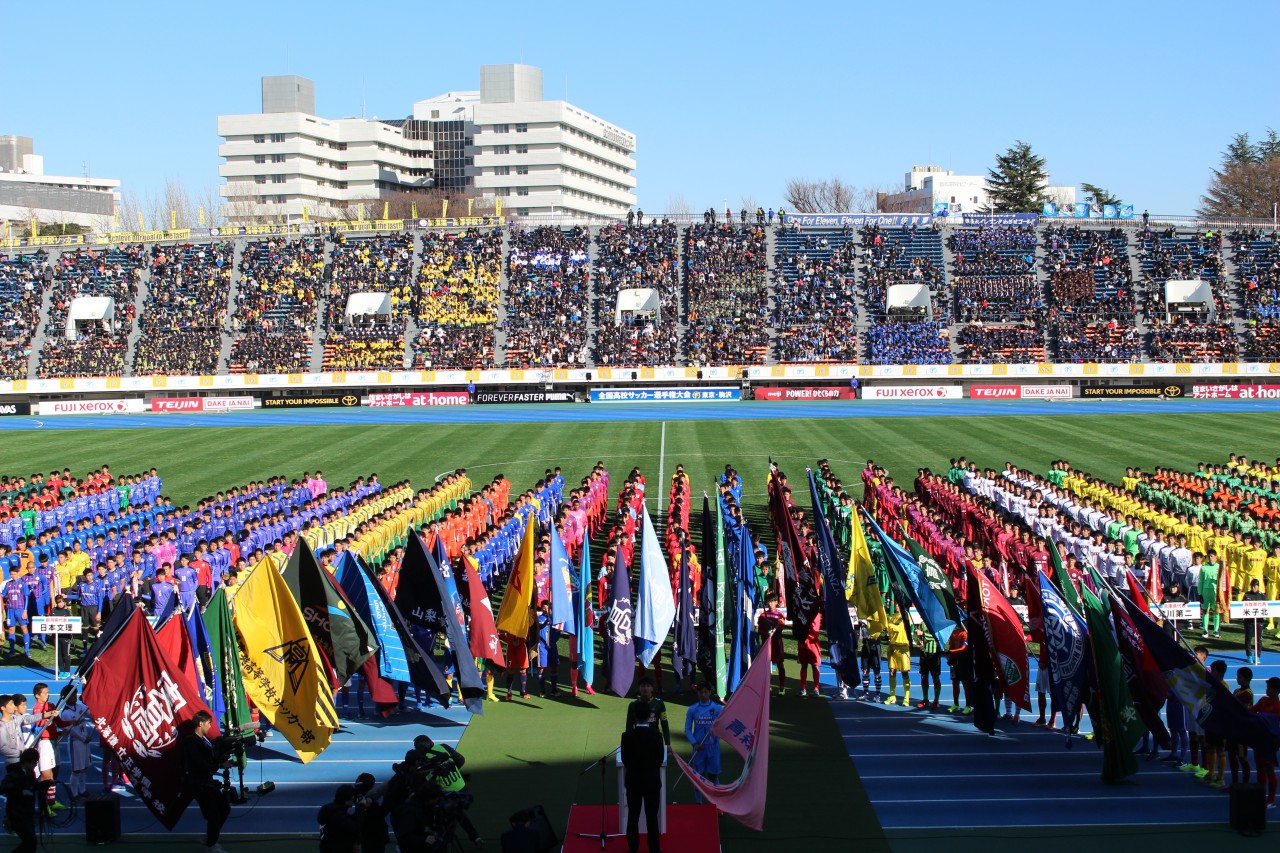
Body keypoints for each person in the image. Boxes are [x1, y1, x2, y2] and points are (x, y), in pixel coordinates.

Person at [181, 709, 233, 853]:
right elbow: (199, 764)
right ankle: (211, 845)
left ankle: (210, 837)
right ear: (200, 723)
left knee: (224, 808)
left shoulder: (205, 741)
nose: (210, 726)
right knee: (214, 815)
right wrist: (220, 765)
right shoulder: (191, 742)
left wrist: (223, 757)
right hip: (199, 784)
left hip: (207, 782)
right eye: (209, 723)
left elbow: (211, 758)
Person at [620, 699, 665, 853]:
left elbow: (625, 759)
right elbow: (659, 759)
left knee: (633, 816)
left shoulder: (626, 736)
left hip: (633, 782)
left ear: (634, 716)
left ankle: (633, 849)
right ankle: (654, 849)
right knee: (652, 817)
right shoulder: (657, 736)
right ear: (649, 716)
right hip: (651, 781)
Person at [682, 682, 722, 803]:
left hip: (713, 747)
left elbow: (723, 726)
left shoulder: (718, 708)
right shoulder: (692, 709)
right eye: (701, 692)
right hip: (698, 748)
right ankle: (699, 804)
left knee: (713, 776)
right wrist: (694, 743)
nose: (703, 694)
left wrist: (717, 735)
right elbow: (687, 729)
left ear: (710, 692)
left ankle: (717, 805)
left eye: (706, 692)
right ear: (697, 693)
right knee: (698, 777)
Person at [0, 748, 39, 853]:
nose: (36, 764)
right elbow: (3, 787)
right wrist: (20, 790)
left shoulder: (30, 773)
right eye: (34, 762)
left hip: (27, 814)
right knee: (30, 843)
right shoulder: (14, 774)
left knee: (31, 843)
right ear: (27, 761)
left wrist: (45, 784)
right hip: (17, 815)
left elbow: (34, 785)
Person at [1251, 676, 1280, 809]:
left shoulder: (1278, 706)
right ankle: (1260, 795)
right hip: (1260, 739)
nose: (1266, 690)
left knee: (1269, 768)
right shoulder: (1263, 700)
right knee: (1259, 767)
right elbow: (1251, 712)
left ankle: (1271, 799)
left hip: (1270, 741)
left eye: (1269, 688)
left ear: (1276, 691)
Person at [317, 783, 367, 853]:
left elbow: (347, 822)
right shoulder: (338, 816)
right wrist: (360, 808)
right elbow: (355, 828)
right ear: (346, 801)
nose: (353, 801)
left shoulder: (331, 810)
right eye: (352, 799)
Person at [756, 592, 789, 695]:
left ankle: (782, 687)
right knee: (766, 666)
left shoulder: (780, 614)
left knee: (780, 664)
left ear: (776, 602)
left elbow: (781, 626)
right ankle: (767, 686)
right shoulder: (762, 615)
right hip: (766, 643)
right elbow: (760, 630)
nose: (770, 604)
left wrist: (774, 625)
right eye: (768, 602)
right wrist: (766, 631)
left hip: (777, 643)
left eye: (772, 601)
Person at [626, 677, 671, 745]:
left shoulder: (659, 704)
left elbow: (664, 724)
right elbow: (629, 726)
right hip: (638, 740)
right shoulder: (633, 705)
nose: (645, 688)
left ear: (652, 688)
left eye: (648, 686)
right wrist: (628, 743)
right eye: (643, 686)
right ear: (639, 688)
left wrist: (668, 744)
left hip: (655, 740)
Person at [884, 609, 912, 706]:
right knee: (892, 671)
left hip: (903, 648)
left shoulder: (906, 616)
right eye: (896, 604)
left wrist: (890, 626)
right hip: (893, 647)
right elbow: (888, 629)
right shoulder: (892, 616)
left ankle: (906, 697)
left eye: (898, 604)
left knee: (904, 672)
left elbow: (899, 629)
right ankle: (892, 696)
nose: (897, 606)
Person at [1242, 578, 1266, 664]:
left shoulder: (1261, 595)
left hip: (1259, 621)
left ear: (1258, 586)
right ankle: (1249, 655)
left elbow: (1265, 607)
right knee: (1248, 638)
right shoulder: (1247, 595)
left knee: (1258, 639)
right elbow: (1242, 606)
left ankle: (1258, 656)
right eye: (1252, 586)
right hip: (1249, 621)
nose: (1253, 588)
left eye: (1255, 586)